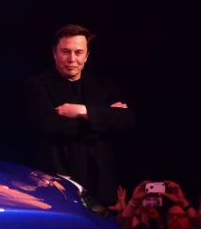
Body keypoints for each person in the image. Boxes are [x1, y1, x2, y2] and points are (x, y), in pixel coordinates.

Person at [23, 24, 135, 206]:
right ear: (54, 53)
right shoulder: (37, 85)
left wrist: (83, 111)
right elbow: (49, 125)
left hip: (101, 185)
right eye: (65, 51)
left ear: (87, 55)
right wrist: (105, 118)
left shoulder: (104, 85)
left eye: (78, 52)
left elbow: (127, 121)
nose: (72, 59)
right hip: (59, 182)